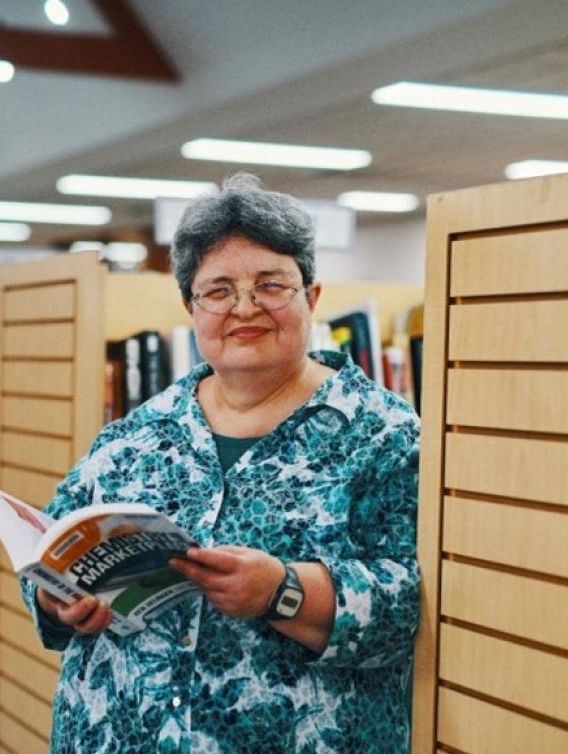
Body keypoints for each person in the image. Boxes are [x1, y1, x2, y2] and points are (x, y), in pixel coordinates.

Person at [22, 173, 420, 754]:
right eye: (219, 290)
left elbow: (414, 605)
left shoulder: (385, 435)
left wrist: (283, 591)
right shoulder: (137, 434)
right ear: (191, 306)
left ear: (311, 297)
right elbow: (51, 549)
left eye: (271, 285)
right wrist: (56, 601)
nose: (245, 308)